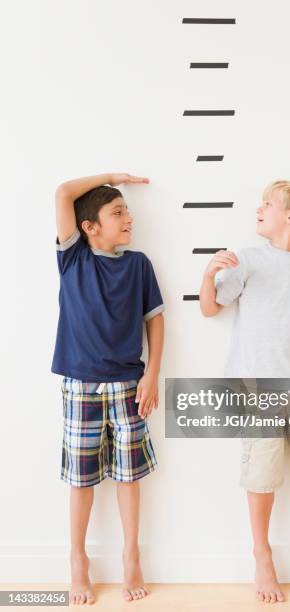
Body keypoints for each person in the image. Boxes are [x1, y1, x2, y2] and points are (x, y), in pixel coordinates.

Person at [199, 180, 290, 603]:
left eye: (267, 203)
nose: (258, 208)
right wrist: (209, 274)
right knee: (261, 475)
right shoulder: (246, 259)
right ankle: (262, 555)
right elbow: (211, 309)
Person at [51, 173, 165, 604]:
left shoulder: (139, 265)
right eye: (118, 212)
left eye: (127, 210)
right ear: (89, 227)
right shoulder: (73, 259)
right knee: (81, 480)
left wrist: (153, 373)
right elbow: (64, 192)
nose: (129, 218)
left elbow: (155, 318)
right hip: (80, 385)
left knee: (129, 475)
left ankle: (131, 555)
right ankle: (78, 560)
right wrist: (114, 178)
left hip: (128, 385)